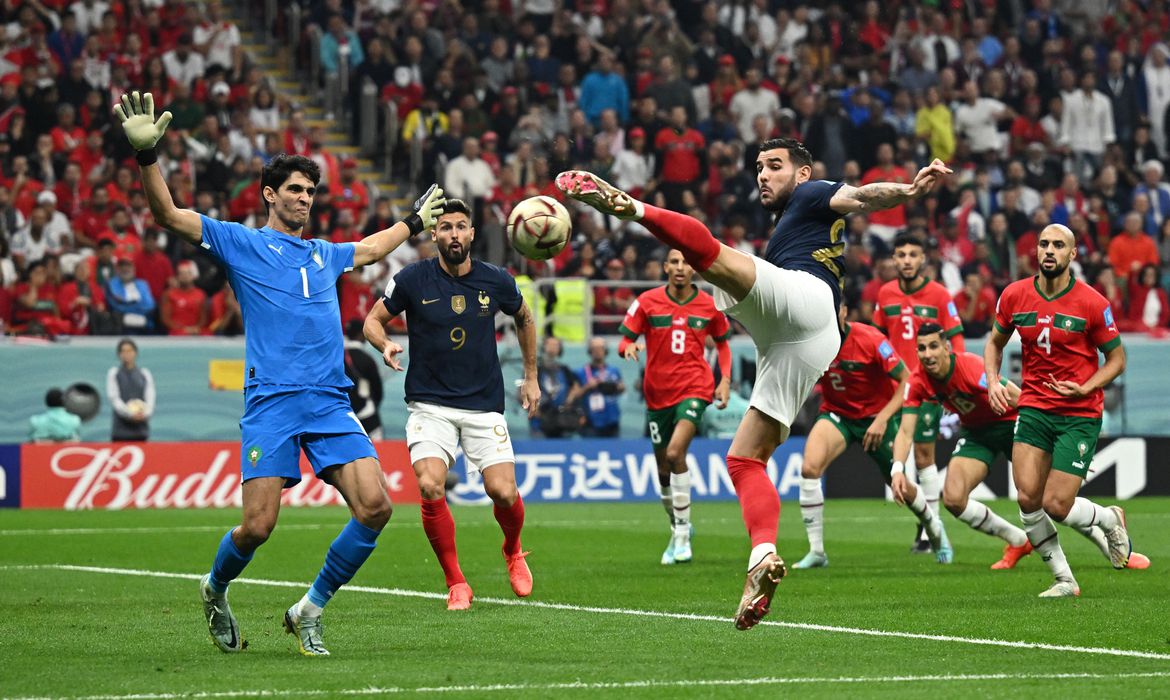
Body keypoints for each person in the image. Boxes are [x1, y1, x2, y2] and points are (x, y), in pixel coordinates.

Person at [557, 138, 950, 629]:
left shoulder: (812, 194)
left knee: (712, 256)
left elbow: (863, 197)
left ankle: (627, 204)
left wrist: (909, 190)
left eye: (775, 166)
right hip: (803, 340)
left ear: (802, 174)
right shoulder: (793, 218)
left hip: (804, 299)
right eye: (759, 167)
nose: (763, 175)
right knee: (744, 459)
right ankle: (762, 555)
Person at [114, 90, 448, 655]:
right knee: (259, 526)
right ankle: (215, 588)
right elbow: (168, 215)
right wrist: (148, 157)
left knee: (376, 507)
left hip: (328, 400)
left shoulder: (324, 252)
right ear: (270, 195)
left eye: (311, 190)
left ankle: (309, 609)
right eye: (294, 189)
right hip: (271, 401)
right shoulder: (242, 243)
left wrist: (414, 221)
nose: (304, 198)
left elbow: (369, 248)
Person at [363, 198, 540, 612]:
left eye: (461, 227)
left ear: (472, 233)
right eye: (445, 228)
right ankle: (456, 581)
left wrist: (531, 376)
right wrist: (385, 342)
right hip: (429, 403)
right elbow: (372, 320)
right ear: (434, 235)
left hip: (483, 405)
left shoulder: (496, 280)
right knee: (429, 485)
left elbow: (525, 317)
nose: (454, 235)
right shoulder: (411, 279)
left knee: (503, 491)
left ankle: (513, 550)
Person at [985, 223, 1146, 598]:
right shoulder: (1014, 295)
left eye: (1058, 245)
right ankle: (1064, 579)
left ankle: (1109, 517)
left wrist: (1087, 385)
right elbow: (994, 343)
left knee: (1056, 504)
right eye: (1043, 244)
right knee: (1027, 498)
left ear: (1073, 254)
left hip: (1079, 412)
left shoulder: (1092, 302)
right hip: (1034, 407)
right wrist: (992, 381)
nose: (1049, 250)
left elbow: (1117, 359)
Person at [793, 306, 952, 569]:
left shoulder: (871, 340)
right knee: (809, 468)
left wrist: (881, 419)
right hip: (838, 414)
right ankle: (817, 551)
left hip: (877, 418)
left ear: (844, 311)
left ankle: (934, 528)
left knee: (899, 485)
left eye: (834, 309)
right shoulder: (812, 342)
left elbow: (906, 381)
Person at [618, 248, 731, 565]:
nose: (681, 268)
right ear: (665, 267)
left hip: (695, 387)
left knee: (674, 453)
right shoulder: (647, 302)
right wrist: (628, 348)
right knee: (663, 471)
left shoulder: (710, 305)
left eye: (686, 262)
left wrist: (724, 381)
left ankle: (682, 537)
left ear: (694, 269)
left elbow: (723, 345)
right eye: (675, 262)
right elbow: (624, 340)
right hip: (657, 395)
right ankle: (679, 526)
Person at [889, 323, 1032, 570]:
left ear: (946, 347)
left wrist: (1055, 435)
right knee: (954, 499)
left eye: (933, 346)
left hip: (1011, 425)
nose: (928, 354)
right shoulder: (918, 380)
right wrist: (898, 469)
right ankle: (1017, 540)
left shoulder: (969, 367)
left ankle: (1106, 523)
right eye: (921, 348)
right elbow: (905, 431)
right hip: (977, 433)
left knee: (1049, 497)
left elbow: (1018, 397)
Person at [872, 233, 965, 553]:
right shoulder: (885, 294)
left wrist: (955, 381)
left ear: (923, 259)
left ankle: (930, 532)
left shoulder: (939, 295)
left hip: (927, 387)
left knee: (924, 456)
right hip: (895, 389)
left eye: (913, 254)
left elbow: (956, 340)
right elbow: (878, 342)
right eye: (901, 255)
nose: (907, 260)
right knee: (900, 456)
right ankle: (926, 524)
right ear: (893, 260)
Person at [106, 338, 155, 441]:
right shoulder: (114, 373)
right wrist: (130, 414)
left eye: (129, 351)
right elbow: (114, 398)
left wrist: (144, 414)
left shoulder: (145, 374)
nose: (126, 354)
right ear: (119, 354)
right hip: (120, 430)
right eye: (123, 351)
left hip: (141, 430)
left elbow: (150, 397)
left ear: (135, 353)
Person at [343, 320, 384, 440]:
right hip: (368, 415)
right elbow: (378, 389)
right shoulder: (367, 359)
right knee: (378, 452)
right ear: (362, 334)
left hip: (345, 415)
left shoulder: (338, 357)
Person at [575, 337, 624, 438]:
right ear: (590, 351)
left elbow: (622, 388)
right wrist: (588, 386)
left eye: (600, 348)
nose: (597, 351)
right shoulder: (581, 372)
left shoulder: (613, 370)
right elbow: (575, 395)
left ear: (605, 350)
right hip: (591, 421)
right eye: (594, 349)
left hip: (611, 419)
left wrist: (613, 386)